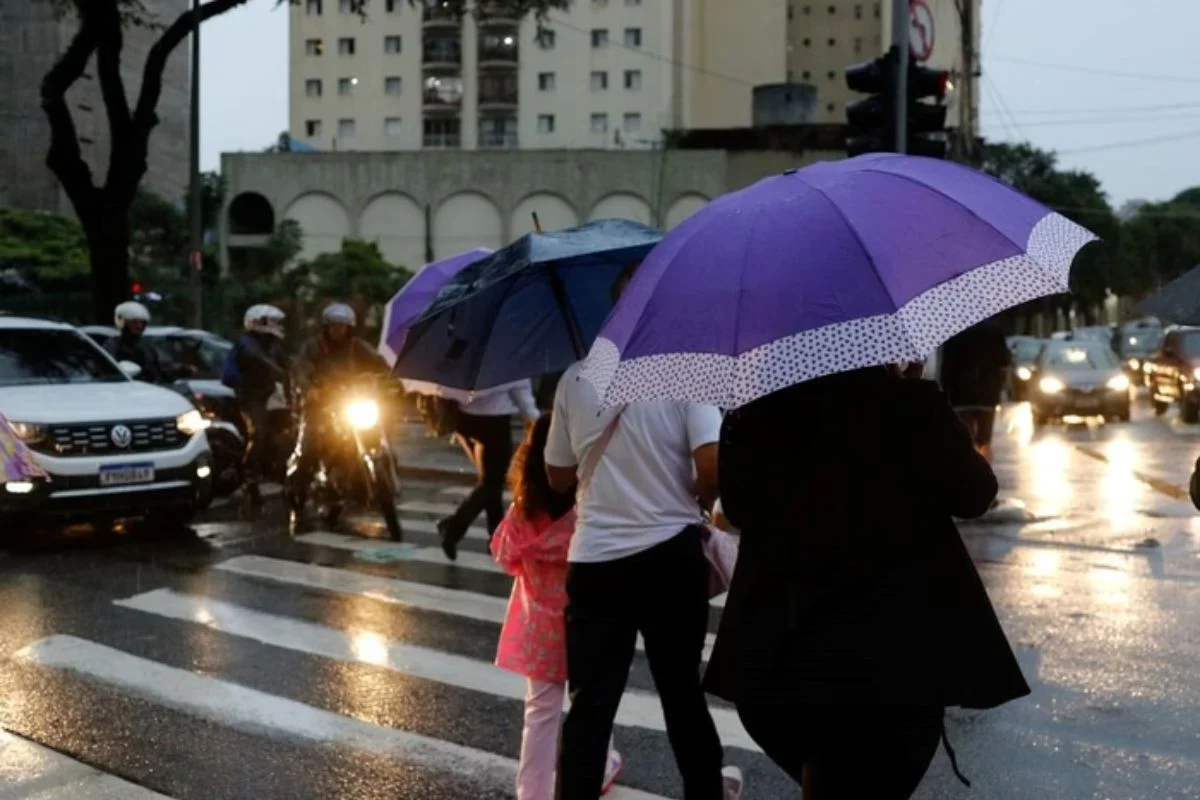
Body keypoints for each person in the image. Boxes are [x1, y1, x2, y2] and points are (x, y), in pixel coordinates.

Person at [705, 365, 1031, 799]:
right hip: (896, 649)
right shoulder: (908, 405)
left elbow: (738, 509)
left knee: (828, 771)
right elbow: (975, 495)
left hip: (785, 643)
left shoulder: (758, 411)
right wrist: (923, 399)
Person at [544, 265, 741, 800]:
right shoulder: (686, 371)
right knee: (681, 695)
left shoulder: (576, 377)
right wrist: (697, 497)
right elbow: (711, 464)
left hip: (595, 562)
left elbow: (557, 476)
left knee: (590, 705)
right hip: (670, 559)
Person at [491, 415, 623, 800]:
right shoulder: (586, 510)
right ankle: (601, 766)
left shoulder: (524, 510)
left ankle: (532, 793)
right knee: (592, 705)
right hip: (584, 623)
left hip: (537, 633)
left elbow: (505, 555)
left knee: (540, 713)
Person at [289, 302, 393, 520]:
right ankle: (298, 485)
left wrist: (390, 380)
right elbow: (301, 369)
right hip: (321, 407)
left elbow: (380, 364)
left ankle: (377, 483)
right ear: (326, 327)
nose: (338, 330)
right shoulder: (313, 347)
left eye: (343, 326)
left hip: (350, 402)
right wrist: (309, 389)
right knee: (310, 445)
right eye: (334, 326)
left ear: (349, 328)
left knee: (379, 432)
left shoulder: (357, 347)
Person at [438, 379, 540, 560]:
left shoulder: (469, 360)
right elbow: (520, 390)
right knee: (492, 483)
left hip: (465, 420)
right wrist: (536, 422)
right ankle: (453, 527)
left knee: (492, 481)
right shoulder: (506, 362)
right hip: (494, 422)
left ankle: (496, 536)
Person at [233, 304, 289, 507]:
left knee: (291, 427)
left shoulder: (273, 345)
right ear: (258, 322)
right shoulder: (247, 344)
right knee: (258, 432)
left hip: (271, 395)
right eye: (272, 321)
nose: (277, 325)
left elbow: (289, 363)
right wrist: (277, 371)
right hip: (251, 398)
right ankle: (250, 476)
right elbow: (258, 359)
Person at [939, 318, 1012, 463]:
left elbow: (947, 367)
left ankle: (966, 467)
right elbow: (1004, 360)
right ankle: (984, 468)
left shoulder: (954, 332)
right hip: (987, 394)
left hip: (960, 394)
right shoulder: (994, 330)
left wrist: (945, 392)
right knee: (984, 440)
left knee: (965, 438)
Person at [105, 301, 173, 384]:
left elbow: (159, 367)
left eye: (142, 322)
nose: (139, 326)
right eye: (134, 322)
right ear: (123, 323)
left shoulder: (147, 346)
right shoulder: (112, 345)